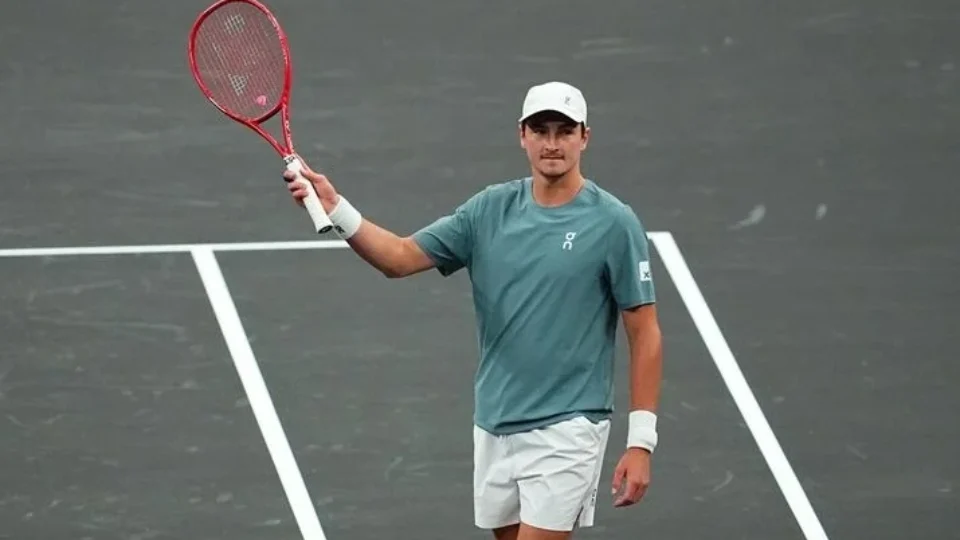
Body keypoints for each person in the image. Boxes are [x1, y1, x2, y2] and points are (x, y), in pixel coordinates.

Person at [284, 81, 663, 540]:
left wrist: (641, 442)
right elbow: (400, 258)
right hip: (496, 422)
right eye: (540, 130)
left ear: (585, 137)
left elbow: (645, 333)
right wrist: (335, 208)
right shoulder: (488, 210)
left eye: (564, 131)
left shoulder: (613, 223)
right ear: (522, 136)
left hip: (569, 428)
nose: (552, 143)